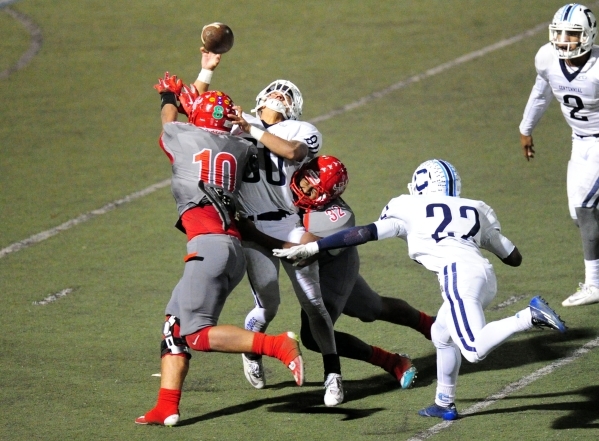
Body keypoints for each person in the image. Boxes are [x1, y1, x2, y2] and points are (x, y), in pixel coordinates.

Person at [273, 159, 567, 419]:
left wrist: (315, 245)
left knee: (474, 350)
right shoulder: (476, 208)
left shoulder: (408, 206)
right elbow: (513, 258)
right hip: (483, 275)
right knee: (441, 334)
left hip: (457, 275)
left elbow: (365, 233)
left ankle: (529, 316)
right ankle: (444, 402)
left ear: (422, 183)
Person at [135, 74, 304, 427]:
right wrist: (197, 88)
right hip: (230, 248)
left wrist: (170, 93)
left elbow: (170, 118)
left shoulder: (183, 136)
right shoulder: (239, 146)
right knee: (173, 324)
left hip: (207, 248)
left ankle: (276, 346)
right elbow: (203, 122)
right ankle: (167, 405)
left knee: (196, 333)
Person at [192, 54, 344, 406]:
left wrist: (250, 130)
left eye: (289, 95)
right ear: (261, 97)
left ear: (295, 110)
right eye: (276, 90)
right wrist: (207, 70)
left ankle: (333, 374)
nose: (281, 95)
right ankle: (253, 349)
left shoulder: (300, 130)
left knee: (313, 303)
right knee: (268, 304)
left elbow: (292, 151)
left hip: (288, 223)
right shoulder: (235, 119)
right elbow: (194, 107)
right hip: (250, 226)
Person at [289, 155, 438, 388]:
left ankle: (392, 360)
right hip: (322, 266)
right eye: (304, 180)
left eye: (311, 190)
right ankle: (431, 325)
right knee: (372, 307)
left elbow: (301, 253)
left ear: (327, 197)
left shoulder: (337, 217)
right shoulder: (292, 180)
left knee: (314, 336)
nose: (303, 189)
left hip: (333, 271)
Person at [519, 3, 599, 307]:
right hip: (579, 142)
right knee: (579, 216)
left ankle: (594, 283)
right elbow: (541, 93)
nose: (564, 39)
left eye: (573, 34)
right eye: (560, 32)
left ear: (588, 35)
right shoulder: (547, 57)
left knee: (585, 206)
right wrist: (526, 128)